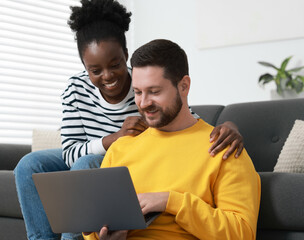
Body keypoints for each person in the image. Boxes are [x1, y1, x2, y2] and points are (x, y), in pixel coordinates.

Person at [14, 1, 244, 240]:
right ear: (84, 67)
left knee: (85, 168)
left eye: (115, 65)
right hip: (105, 148)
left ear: (126, 56)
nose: (108, 76)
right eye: (95, 70)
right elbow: (70, 152)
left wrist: (230, 126)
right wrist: (114, 139)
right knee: (30, 165)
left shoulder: (143, 77)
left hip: (105, 159)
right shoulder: (77, 89)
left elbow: (187, 122)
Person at [84, 39, 261, 240]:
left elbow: (243, 234)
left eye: (154, 91)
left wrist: (171, 202)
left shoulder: (224, 147)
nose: (143, 103)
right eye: (138, 92)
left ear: (184, 86)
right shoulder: (121, 149)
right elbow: (94, 228)